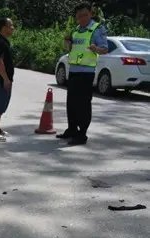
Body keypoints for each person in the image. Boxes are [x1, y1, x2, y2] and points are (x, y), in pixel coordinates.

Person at [57, 3, 108, 145]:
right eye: (79, 16)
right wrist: (66, 42)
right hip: (73, 71)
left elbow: (105, 49)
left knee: (83, 105)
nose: (82, 18)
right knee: (71, 103)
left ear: (91, 14)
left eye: (85, 15)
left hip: (86, 73)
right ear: (76, 17)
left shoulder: (97, 29)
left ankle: (82, 134)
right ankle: (72, 129)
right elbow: (69, 49)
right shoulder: (75, 30)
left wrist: (95, 48)